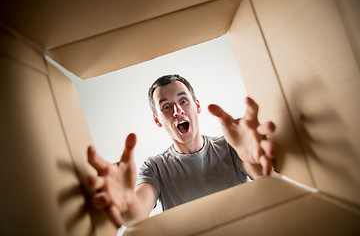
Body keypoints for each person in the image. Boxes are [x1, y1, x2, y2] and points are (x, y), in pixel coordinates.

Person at [84, 74, 276, 228]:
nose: (177, 111)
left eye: (183, 100)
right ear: (158, 120)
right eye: (166, 106)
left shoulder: (230, 146)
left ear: (197, 105)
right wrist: (127, 203)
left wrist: (255, 159)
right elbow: (139, 210)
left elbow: (262, 175)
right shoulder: (154, 167)